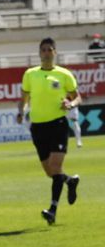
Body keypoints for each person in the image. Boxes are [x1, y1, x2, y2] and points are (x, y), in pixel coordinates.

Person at [17, 37, 82, 226]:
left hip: (57, 124)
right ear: (39, 53)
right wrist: (20, 112)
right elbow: (24, 97)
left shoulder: (64, 74)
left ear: (55, 52)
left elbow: (77, 97)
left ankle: (52, 210)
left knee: (55, 166)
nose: (46, 53)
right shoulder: (30, 74)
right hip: (38, 127)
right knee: (50, 172)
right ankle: (70, 181)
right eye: (43, 50)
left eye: (49, 49)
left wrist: (71, 103)